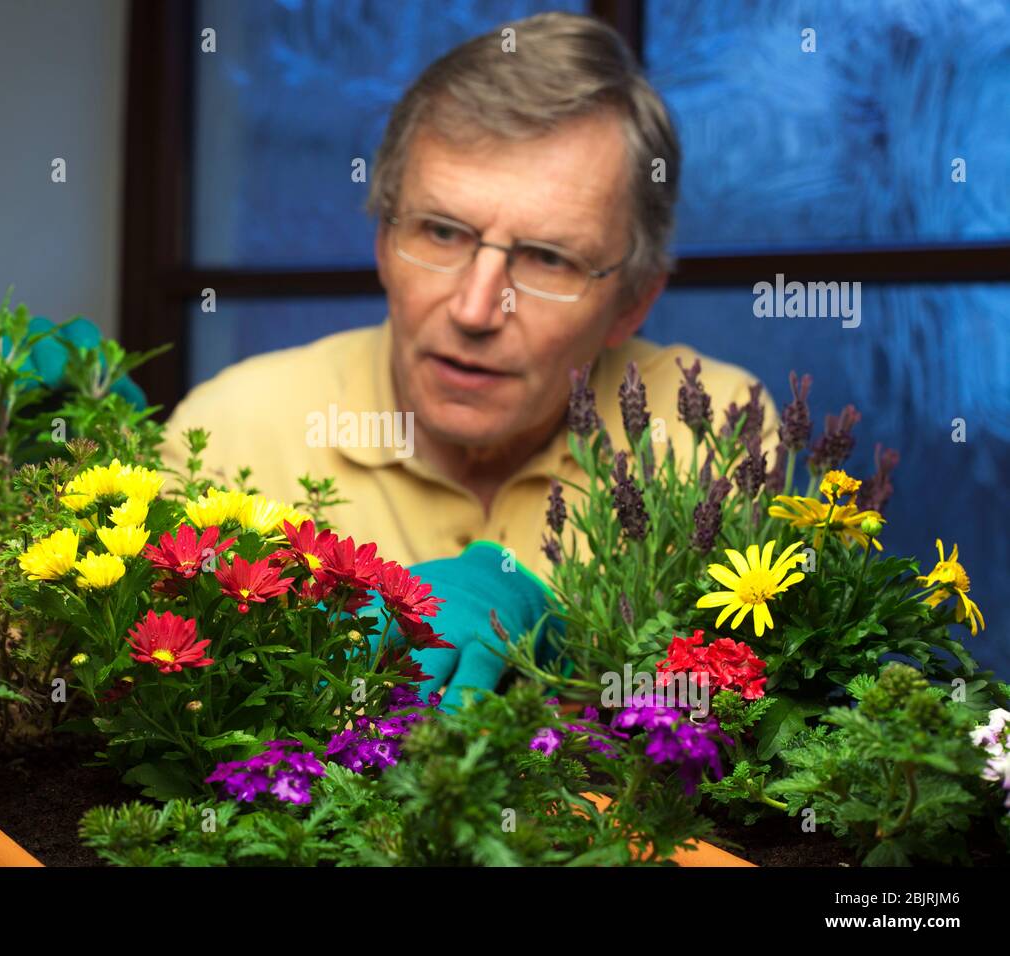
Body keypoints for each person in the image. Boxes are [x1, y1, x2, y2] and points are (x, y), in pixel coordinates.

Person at [154, 14, 778, 705]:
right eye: (443, 232)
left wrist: (557, 630)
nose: (477, 311)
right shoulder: (239, 428)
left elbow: (718, 725)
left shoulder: (712, 432)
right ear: (383, 242)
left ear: (632, 302)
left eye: (548, 257)